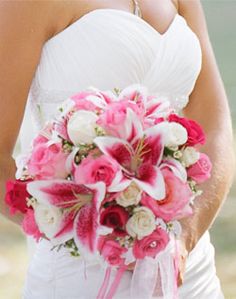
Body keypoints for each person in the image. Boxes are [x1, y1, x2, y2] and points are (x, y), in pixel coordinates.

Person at [0, 0, 234, 298]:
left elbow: (216, 127)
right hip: (85, 270)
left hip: (189, 265)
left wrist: (184, 237)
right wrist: (82, 233)